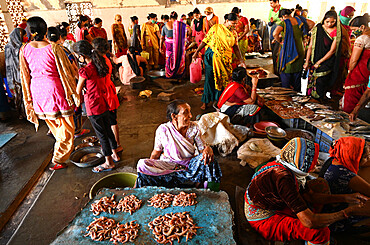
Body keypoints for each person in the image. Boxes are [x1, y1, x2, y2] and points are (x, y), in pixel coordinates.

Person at [245, 137, 368, 245]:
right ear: (302, 164)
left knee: (320, 185)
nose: (318, 163)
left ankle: (311, 229)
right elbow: (309, 222)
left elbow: (311, 196)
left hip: (274, 203)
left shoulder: (287, 164)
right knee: (320, 232)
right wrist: (346, 212)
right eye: (314, 161)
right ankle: (313, 239)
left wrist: (346, 197)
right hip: (264, 218)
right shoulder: (283, 178)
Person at [19, 16, 80, 170]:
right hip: (55, 90)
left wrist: (28, 99)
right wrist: (75, 91)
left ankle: (63, 148)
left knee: (55, 125)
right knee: (67, 128)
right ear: (45, 30)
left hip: (37, 91)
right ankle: (59, 158)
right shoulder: (54, 48)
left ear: (30, 31)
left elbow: (24, 76)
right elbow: (66, 72)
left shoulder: (24, 49)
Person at [136, 100, 222, 188]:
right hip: (169, 165)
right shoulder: (163, 130)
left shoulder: (194, 128)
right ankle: (188, 181)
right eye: (186, 113)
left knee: (210, 159)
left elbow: (201, 151)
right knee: (142, 164)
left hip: (189, 165)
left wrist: (208, 149)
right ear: (174, 116)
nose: (191, 116)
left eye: (190, 112)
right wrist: (151, 167)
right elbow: (156, 152)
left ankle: (207, 189)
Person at [74, 40, 120, 172]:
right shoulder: (101, 64)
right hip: (104, 102)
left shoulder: (85, 71)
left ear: (82, 56)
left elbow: (78, 91)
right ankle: (115, 155)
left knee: (101, 135)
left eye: (78, 56)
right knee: (108, 130)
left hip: (93, 106)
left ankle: (108, 162)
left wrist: (76, 102)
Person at [193, 13, 246, 110]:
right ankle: (206, 101)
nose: (234, 26)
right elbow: (206, 40)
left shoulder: (234, 33)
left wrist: (241, 60)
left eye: (235, 24)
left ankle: (219, 100)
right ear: (226, 21)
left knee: (223, 79)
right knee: (209, 79)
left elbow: (236, 47)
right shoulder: (216, 28)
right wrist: (197, 51)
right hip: (212, 57)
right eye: (232, 23)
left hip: (225, 59)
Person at [321, 137, 370, 231]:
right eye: (365, 157)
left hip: (327, 205)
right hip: (335, 218)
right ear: (355, 157)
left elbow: (366, 163)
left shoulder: (336, 158)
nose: (367, 159)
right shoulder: (345, 175)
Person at [92, 38, 122, 152]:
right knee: (112, 121)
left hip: (106, 94)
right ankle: (116, 145)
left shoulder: (100, 62)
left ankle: (116, 145)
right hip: (109, 92)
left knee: (110, 122)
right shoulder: (106, 59)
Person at [304, 11, 343, 100]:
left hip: (327, 62)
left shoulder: (336, 32)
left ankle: (319, 103)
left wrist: (319, 62)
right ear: (323, 20)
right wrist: (307, 62)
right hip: (314, 61)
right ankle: (310, 103)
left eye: (332, 22)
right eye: (327, 22)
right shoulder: (317, 29)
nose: (329, 24)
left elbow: (332, 51)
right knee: (312, 84)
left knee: (321, 83)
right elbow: (310, 46)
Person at [341, 14, 370, 114]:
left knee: (351, 99)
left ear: (362, 27)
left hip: (358, 73)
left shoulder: (362, 39)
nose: (353, 32)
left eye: (354, 29)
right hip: (367, 73)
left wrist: (349, 72)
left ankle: (348, 119)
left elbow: (354, 60)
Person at [274, 9, 306, 92]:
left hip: (288, 52)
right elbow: (312, 24)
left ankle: (287, 95)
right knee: (297, 76)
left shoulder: (284, 23)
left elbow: (275, 33)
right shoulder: (300, 20)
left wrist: (280, 41)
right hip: (300, 51)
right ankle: (298, 99)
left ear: (283, 16)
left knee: (286, 74)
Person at [5, 27, 27, 119]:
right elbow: (8, 64)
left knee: (25, 93)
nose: (25, 37)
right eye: (24, 35)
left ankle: (28, 113)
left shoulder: (22, 46)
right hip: (15, 74)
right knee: (18, 94)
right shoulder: (9, 47)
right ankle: (22, 113)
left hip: (22, 73)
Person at [159, 11, 186, 79]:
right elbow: (187, 32)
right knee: (178, 58)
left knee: (169, 58)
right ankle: (178, 74)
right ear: (176, 17)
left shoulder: (165, 26)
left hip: (169, 46)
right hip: (178, 45)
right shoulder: (180, 25)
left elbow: (161, 38)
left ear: (170, 17)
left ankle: (169, 74)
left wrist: (160, 47)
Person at [268, 0, 283, 75]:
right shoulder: (271, 11)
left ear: (277, 2)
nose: (271, 5)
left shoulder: (282, 10)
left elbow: (283, 22)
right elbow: (269, 23)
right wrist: (271, 21)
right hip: (273, 31)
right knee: (273, 53)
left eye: (272, 3)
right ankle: (275, 71)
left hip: (279, 32)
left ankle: (279, 70)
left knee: (277, 53)